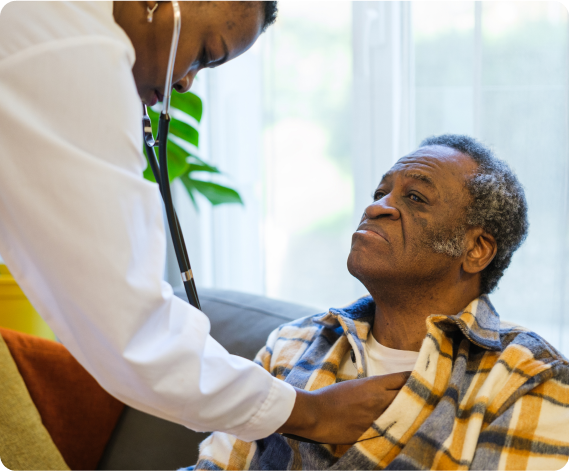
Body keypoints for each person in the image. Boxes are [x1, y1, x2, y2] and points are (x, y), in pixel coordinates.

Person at [0, 0, 406, 444]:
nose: (187, 82)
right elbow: (131, 328)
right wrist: (309, 412)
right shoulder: (77, 56)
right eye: (204, 54)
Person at [188, 134, 569, 471]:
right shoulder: (292, 343)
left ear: (476, 249)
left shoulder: (529, 378)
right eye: (379, 193)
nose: (375, 208)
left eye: (415, 197)